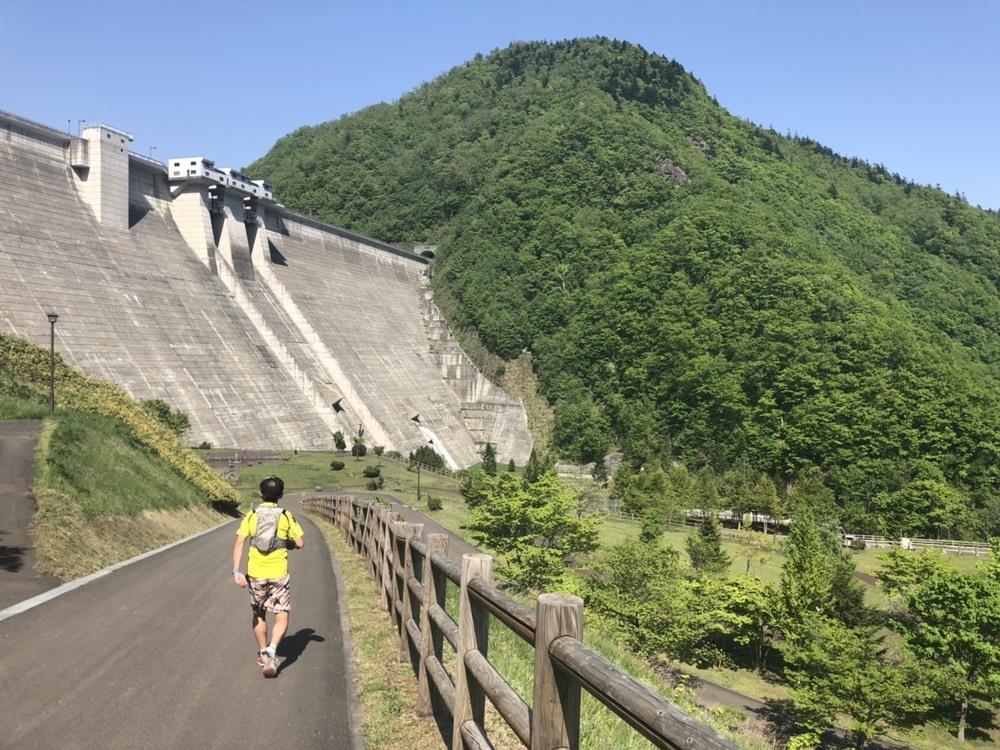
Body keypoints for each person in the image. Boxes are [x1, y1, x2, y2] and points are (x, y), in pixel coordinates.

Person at [232, 475, 305, 678]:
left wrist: (236, 571)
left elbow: (239, 543)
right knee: (281, 615)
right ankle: (273, 650)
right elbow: (300, 543)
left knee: (259, 614)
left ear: (260, 494)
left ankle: (264, 652)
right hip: (279, 574)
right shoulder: (285, 516)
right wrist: (286, 543)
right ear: (281, 495)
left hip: (256, 573)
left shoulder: (252, 515)